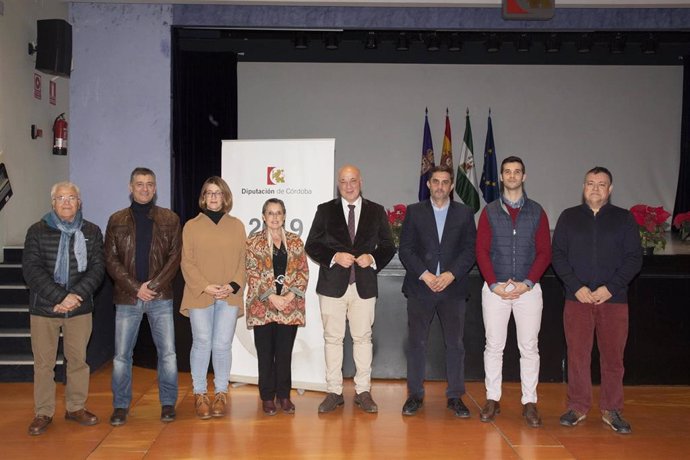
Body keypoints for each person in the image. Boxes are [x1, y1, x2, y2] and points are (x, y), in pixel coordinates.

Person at [551, 166, 642, 434]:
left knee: (613, 358)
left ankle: (611, 409)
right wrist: (576, 286)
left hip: (613, 300)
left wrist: (610, 288)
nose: (595, 188)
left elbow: (633, 259)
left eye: (601, 184)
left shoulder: (624, 219)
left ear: (610, 190)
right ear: (583, 187)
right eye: (590, 183)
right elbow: (558, 256)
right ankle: (577, 407)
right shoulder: (568, 218)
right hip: (576, 299)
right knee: (577, 355)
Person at [305, 164, 396, 413]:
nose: (348, 185)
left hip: (364, 286)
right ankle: (334, 392)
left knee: (363, 339)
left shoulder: (376, 211)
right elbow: (311, 244)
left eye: (352, 180)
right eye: (343, 181)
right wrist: (335, 256)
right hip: (332, 286)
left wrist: (373, 258)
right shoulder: (325, 211)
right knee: (332, 339)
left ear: (361, 182)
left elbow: (389, 245)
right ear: (338, 184)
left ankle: (363, 391)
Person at [22, 182, 105, 436]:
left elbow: (97, 268)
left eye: (71, 198)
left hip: (79, 309)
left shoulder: (92, 231)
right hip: (44, 309)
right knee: (44, 364)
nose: (66, 202)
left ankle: (76, 407)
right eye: (61, 198)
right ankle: (43, 412)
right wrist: (60, 296)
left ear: (79, 202)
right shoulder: (36, 231)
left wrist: (75, 296)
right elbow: (32, 271)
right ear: (53, 203)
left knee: (78, 361)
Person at [475, 156, 551, 428]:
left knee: (529, 348)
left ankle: (529, 401)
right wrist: (494, 283)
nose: (512, 176)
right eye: (507, 172)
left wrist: (528, 282)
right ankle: (492, 399)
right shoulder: (489, 211)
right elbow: (481, 251)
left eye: (517, 171)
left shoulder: (537, 211)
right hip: (495, 290)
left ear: (524, 176)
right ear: (502, 176)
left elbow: (544, 252)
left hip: (528, 290)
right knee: (494, 346)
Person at [105, 167, 181, 426]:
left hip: (161, 297)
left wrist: (154, 285)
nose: (145, 188)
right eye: (139, 184)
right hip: (128, 298)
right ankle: (120, 405)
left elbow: (175, 257)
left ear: (155, 187)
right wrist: (136, 287)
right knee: (122, 356)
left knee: (168, 353)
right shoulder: (116, 220)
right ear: (130, 187)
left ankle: (168, 403)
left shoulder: (170, 219)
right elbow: (111, 260)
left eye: (149, 184)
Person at [398, 165, 476, 418]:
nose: (440, 186)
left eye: (445, 182)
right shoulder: (414, 212)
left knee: (455, 344)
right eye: (436, 181)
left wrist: (450, 274)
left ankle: (455, 397)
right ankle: (415, 395)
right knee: (417, 344)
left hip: (453, 289)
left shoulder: (464, 214)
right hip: (422, 288)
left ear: (451, 186)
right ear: (429, 185)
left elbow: (470, 250)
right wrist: (427, 275)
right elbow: (406, 250)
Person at [180, 176, 246, 419]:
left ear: (225, 196)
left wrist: (232, 285)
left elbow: (243, 260)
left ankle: (220, 393)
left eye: (218, 193)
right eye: (209, 193)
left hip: (229, 294)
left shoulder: (237, 225)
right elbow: (187, 262)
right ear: (203, 197)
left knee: (221, 345)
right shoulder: (191, 226)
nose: (214, 197)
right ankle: (200, 394)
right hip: (201, 294)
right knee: (202, 342)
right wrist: (206, 286)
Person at [245, 198, 309, 415]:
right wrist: (272, 297)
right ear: (263, 216)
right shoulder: (253, 242)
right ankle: (267, 397)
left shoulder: (295, 241)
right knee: (265, 354)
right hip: (263, 306)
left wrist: (289, 296)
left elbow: (302, 272)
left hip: (289, 307)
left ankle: (284, 396)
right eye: (270, 213)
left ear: (284, 216)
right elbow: (252, 273)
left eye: (278, 213)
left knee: (284, 354)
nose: (274, 217)